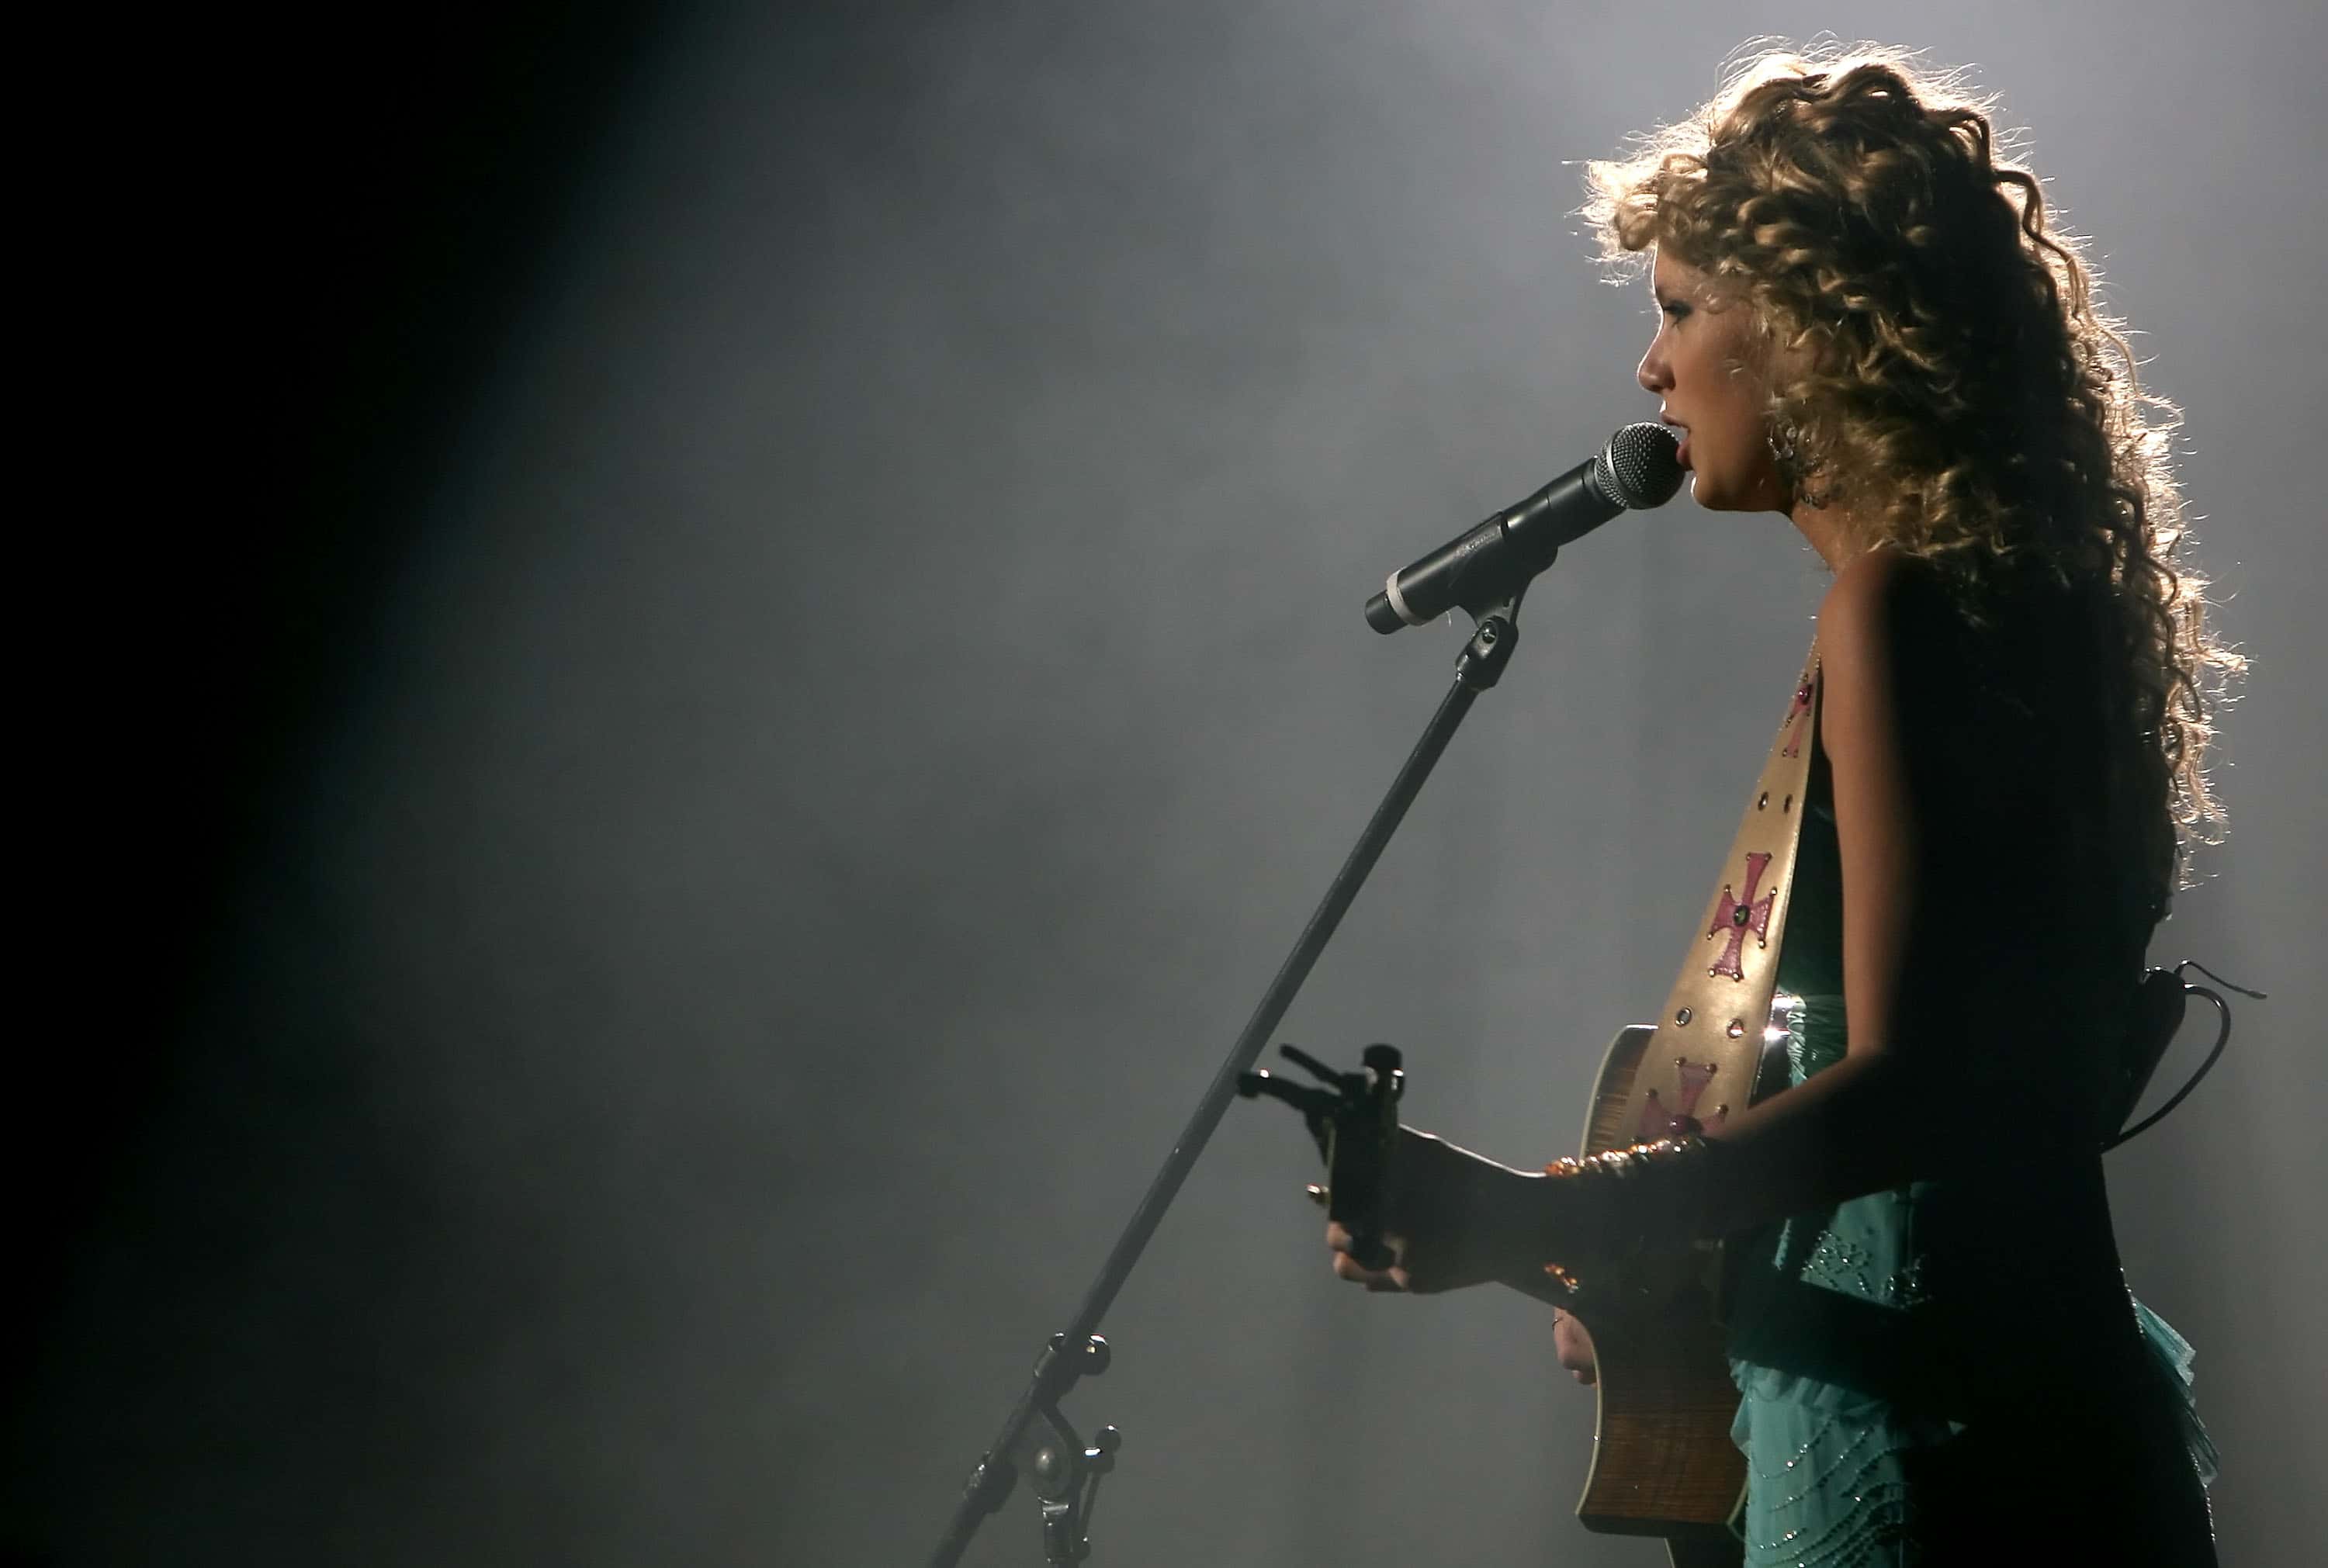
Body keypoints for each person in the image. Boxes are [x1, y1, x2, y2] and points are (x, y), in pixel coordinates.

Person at [1322, 45, 2237, 1566]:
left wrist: (1554, 1213)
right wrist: (1551, 1256)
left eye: (1681, 310)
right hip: (2026, 1401)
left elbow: (1920, 1088)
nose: (1651, 368)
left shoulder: (1896, 612)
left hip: (1934, 1450)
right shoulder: (2010, 613)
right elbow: (1974, 1120)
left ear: (1812, 332)